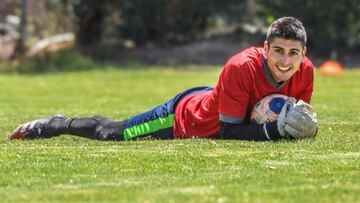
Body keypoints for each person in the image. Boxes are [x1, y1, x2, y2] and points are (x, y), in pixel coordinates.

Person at [9, 16, 318, 142]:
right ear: (265, 48)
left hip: (215, 98)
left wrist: (304, 128)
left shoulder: (306, 72)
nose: (284, 60)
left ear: (304, 54)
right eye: (278, 50)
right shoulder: (240, 67)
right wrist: (274, 131)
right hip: (186, 118)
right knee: (114, 134)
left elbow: (297, 119)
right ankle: (54, 124)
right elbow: (228, 131)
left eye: (293, 53)